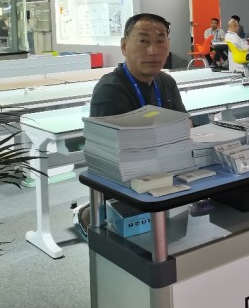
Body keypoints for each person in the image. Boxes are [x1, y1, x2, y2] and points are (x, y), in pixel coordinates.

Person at [73, 13, 186, 237]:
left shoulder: (166, 82)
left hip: (165, 177)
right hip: (126, 189)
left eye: (160, 41)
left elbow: (184, 127)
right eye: (143, 41)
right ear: (124, 46)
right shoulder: (110, 89)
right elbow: (113, 157)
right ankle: (87, 214)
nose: (153, 50)